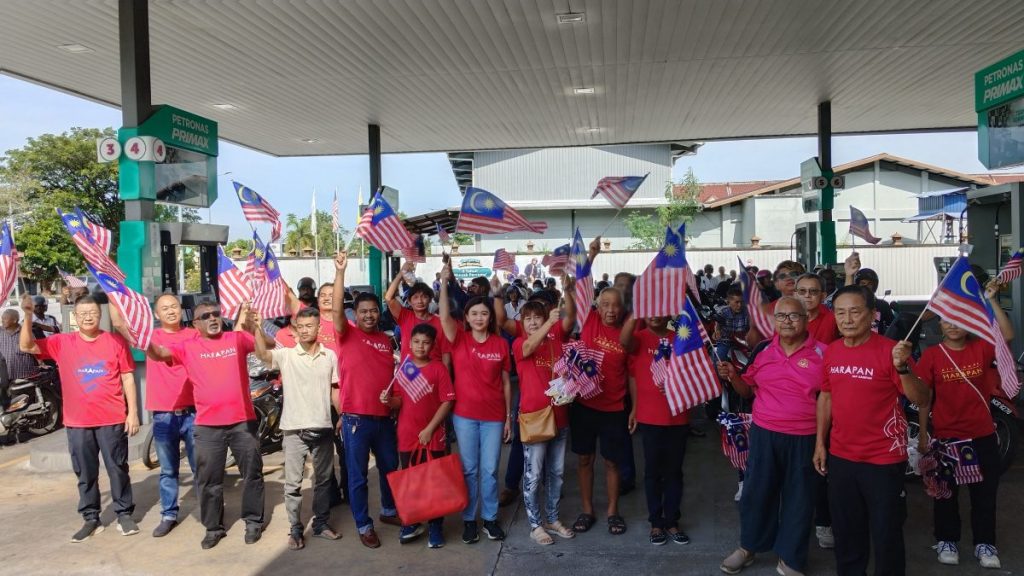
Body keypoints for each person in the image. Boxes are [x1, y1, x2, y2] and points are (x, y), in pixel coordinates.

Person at [813, 285, 930, 576]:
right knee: (847, 532)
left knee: (886, 532)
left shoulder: (891, 351)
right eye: (840, 312)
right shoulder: (832, 352)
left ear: (872, 314)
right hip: (842, 458)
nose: (847, 319)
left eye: (855, 311)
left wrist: (903, 369)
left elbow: (922, 398)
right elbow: (826, 397)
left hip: (883, 460)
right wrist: (820, 443)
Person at [147, 300, 269, 549]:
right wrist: (141, 339)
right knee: (208, 480)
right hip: (207, 426)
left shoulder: (236, 339)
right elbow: (159, 354)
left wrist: (257, 328)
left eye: (215, 314)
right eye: (205, 316)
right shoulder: (188, 346)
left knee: (252, 475)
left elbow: (266, 348)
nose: (212, 318)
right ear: (196, 324)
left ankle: (253, 522)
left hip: (242, 422)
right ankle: (214, 528)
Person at [717, 297, 826, 576]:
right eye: (781, 316)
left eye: (794, 316)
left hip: (804, 437)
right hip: (764, 434)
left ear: (806, 319)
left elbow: (830, 400)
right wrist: (733, 376)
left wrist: (821, 442)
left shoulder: (823, 353)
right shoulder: (763, 350)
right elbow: (746, 391)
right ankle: (749, 547)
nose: (787, 321)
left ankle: (791, 557)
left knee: (799, 498)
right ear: (774, 321)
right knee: (756, 493)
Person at [19, 294, 139, 542]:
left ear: (100, 315)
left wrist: (133, 413)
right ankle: (91, 518)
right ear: (75, 316)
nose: (88, 317)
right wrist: (28, 315)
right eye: (83, 313)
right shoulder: (62, 342)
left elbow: (127, 376)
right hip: (78, 422)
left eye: (93, 312)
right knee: (85, 472)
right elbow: (27, 346)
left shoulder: (115, 341)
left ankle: (124, 514)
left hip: (112, 418)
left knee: (118, 468)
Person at [911, 278, 1012, 569]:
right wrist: (923, 436)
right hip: (946, 438)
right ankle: (947, 540)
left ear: (968, 323)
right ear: (939, 324)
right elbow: (924, 399)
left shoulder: (981, 349)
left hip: (982, 435)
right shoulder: (932, 356)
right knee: (945, 493)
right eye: (946, 320)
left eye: (959, 320)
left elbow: (1006, 335)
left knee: (984, 494)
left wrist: (991, 300)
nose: (953, 325)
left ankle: (985, 544)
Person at [253, 307, 342, 550]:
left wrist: (342, 415)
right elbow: (262, 354)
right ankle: (295, 529)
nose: (304, 330)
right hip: (293, 431)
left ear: (318, 328)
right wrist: (258, 328)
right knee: (292, 485)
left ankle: (321, 524)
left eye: (309, 326)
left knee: (323, 481)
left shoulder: (329, 356)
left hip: (323, 427)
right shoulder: (286, 355)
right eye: (300, 326)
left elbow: (335, 389)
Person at [330, 252, 401, 549]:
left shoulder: (386, 341)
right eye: (364, 311)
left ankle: (389, 510)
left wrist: (395, 402)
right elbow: (336, 309)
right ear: (355, 314)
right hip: (356, 420)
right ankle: (363, 523)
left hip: (384, 419)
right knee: (358, 476)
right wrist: (340, 272)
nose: (369, 315)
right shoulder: (346, 334)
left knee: (390, 469)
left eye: (373, 311)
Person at [438, 262, 512, 544]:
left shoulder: (500, 344)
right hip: (465, 416)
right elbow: (444, 316)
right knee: (469, 470)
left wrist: (508, 417)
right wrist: (444, 284)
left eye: (484, 313)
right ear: (466, 319)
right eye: (474, 314)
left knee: (490, 470)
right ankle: (469, 519)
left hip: (494, 417)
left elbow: (506, 383)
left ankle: (490, 519)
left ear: (490, 317)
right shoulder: (459, 339)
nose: (479, 318)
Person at [571, 237, 630, 537]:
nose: (610, 310)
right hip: (584, 405)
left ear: (623, 308)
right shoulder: (588, 320)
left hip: (614, 407)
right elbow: (580, 284)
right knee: (584, 459)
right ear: (597, 305)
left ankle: (612, 511)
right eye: (605, 304)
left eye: (616, 305)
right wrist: (591, 256)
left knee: (611, 462)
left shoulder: (627, 329)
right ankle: (587, 510)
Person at [380, 324, 455, 549]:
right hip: (407, 434)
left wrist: (430, 429)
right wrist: (388, 400)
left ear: (433, 345)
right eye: (416, 342)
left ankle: (435, 526)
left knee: (434, 481)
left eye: (426, 342)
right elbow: (399, 401)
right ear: (409, 343)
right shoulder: (405, 368)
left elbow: (447, 401)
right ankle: (412, 522)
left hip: (433, 434)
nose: (420, 346)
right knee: (411, 480)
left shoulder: (439, 368)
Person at [621, 314, 691, 547]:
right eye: (650, 309)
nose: (655, 315)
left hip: (678, 415)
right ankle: (656, 523)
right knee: (652, 471)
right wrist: (636, 313)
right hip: (650, 417)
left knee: (674, 472)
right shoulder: (639, 338)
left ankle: (672, 521)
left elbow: (692, 372)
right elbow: (624, 342)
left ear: (668, 313)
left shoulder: (680, 338)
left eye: (660, 310)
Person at [515, 296, 577, 546]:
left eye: (537, 318)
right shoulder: (519, 343)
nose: (532, 322)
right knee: (533, 475)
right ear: (521, 323)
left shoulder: (556, 343)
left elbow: (566, 370)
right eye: (527, 318)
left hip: (559, 416)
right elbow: (529, 347)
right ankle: (535, 525)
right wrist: (548, 324)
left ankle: (552, 519)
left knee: (557, 473)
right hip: (534, 419)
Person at [140, 295, 199, 538]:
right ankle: (169, 515)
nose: (171, 311)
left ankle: (209, 510)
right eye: (165, 308)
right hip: (164, 416)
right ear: (157, 314)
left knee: (200, 467)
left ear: (181, 309)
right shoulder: (151, 337)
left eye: (174, 306)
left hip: (194, 412)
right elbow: (125, 327)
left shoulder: (195, 335)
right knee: (168, 470)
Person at [385, 261, 450, 368]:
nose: (420, 301)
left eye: (424, 297)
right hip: (410, 372)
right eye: (415, 297)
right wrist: (401, 273)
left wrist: (445, 376)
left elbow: (445, 354)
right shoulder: (405, 316)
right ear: (409, 301)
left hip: (433, 372)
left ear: (430, 299)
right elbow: (388, 298)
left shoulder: (440, 322)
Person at [843, 253, 893, 334]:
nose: (866, 286)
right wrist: (849, 276)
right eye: (863, 283)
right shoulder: (853, 303)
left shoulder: (882, 305)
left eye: (869, 284)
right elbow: (846, 298)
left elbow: (892, 326)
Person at [796, 274, 839, 345]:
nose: (807, 295)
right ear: (795, 295)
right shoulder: (786, 320)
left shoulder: (831, 319)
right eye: (802, 291)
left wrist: (849, 276)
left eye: (813, 291)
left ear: (823, 296)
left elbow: (847, 303)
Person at [0, 308, 40, 380]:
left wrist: (41, 363)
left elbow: (36, 350)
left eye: (5, 319)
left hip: (24, 375)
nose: (2, 321)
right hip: (4, 377)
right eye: (2, 318)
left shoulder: (26, 333)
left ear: (14, 320)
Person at [714, 288, 749, 361]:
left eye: (741, 302)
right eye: (737, 302)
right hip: (726, 341)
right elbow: (717, 323)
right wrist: (717, 331)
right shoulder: (723, 312)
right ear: (729, 302)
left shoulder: (746, 311)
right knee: (719, 358)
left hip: (742, 341)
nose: (739, 305)